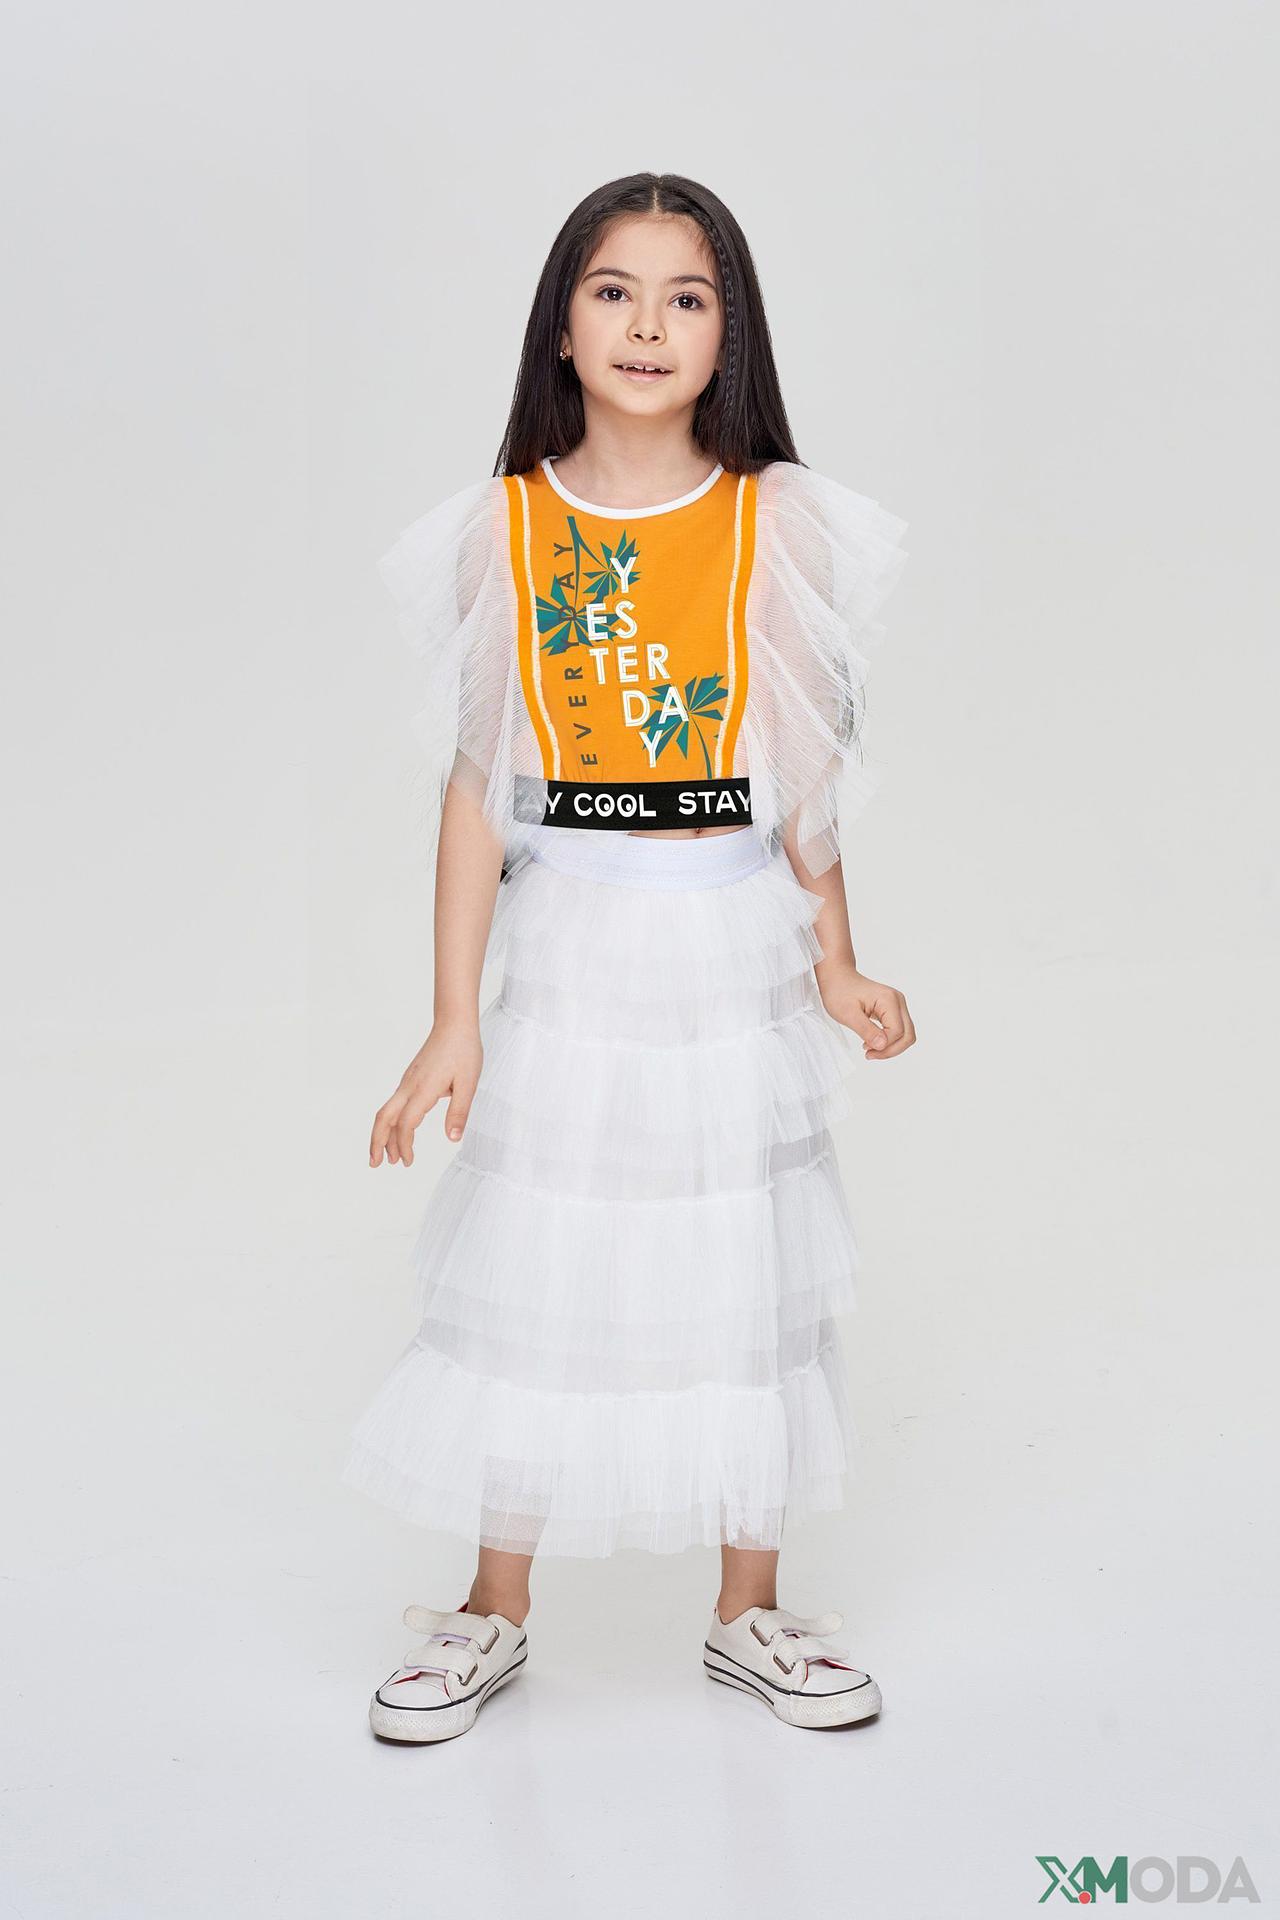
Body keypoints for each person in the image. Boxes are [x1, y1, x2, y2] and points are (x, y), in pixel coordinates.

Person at [339, 171, 916, 1742]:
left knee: (743, 1261)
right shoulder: (507, 527)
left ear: (730, 332)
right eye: (614, 290)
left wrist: (838, 961)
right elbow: (478, 787)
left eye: (687, 296)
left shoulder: (772, 520)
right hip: (575, 941)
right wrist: (452, 1018)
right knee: (540, 1256)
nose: (648, 325)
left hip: (731, 941)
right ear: (562, 321)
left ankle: (750, 1609)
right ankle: (493, 1605)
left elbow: (802, 769)